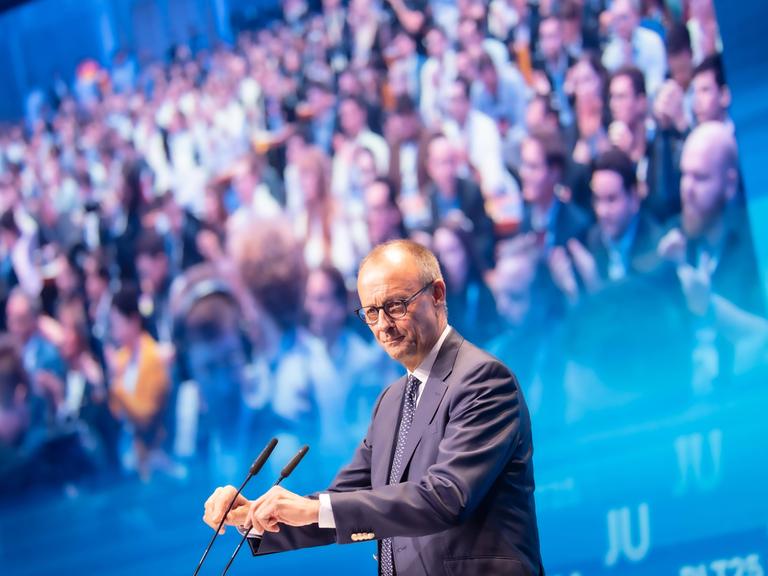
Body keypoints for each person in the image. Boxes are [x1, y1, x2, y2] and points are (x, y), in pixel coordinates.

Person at [203, 239, 543, 576]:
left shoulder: (483, 380)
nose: (383, 325)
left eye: (396, 305)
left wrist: (315, 508)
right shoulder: (391, 401)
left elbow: (445, 497)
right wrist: (252, 516)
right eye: (371, 312)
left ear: (437, 294)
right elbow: (344, 501)